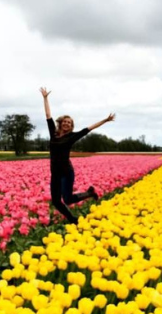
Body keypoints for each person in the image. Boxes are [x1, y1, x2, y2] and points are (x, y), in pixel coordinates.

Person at [40, 87, 115, 224]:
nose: (67, 123)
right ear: (61, 123)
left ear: (71, 126)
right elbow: (48, 116)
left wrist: (105, 120)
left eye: (70, 123)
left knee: (67, 199)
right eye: (65, 122)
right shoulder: (54, 134)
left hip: (66, 172)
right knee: (56, 202)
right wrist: (45, 98)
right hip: (55, 173)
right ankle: (73, 220)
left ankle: (89, 193)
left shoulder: (72, 137)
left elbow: (89, 128)